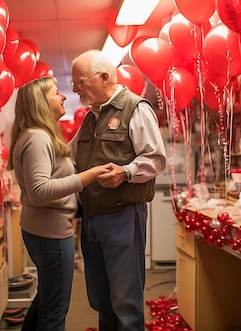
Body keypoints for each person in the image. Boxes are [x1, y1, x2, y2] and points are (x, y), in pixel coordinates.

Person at [69, 50, 167, 331]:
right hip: (92, 219)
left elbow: (155, 159)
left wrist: (126, 173)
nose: (76, 89)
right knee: (102, 300)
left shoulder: (136, 108)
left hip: (123, 215)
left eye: (80, 82)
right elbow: (71, 157)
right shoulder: (91, 116)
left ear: (103, 77)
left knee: (126, 302)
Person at [7, 76, 110, 331]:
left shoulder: (39, 136)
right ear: (41, 102)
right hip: (50, 234)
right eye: (56, 93)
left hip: (44, 231)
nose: (63, 96)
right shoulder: (37, 138)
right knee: (55, 311)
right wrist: (90, 175)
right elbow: (40, 191)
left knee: (46, 300)